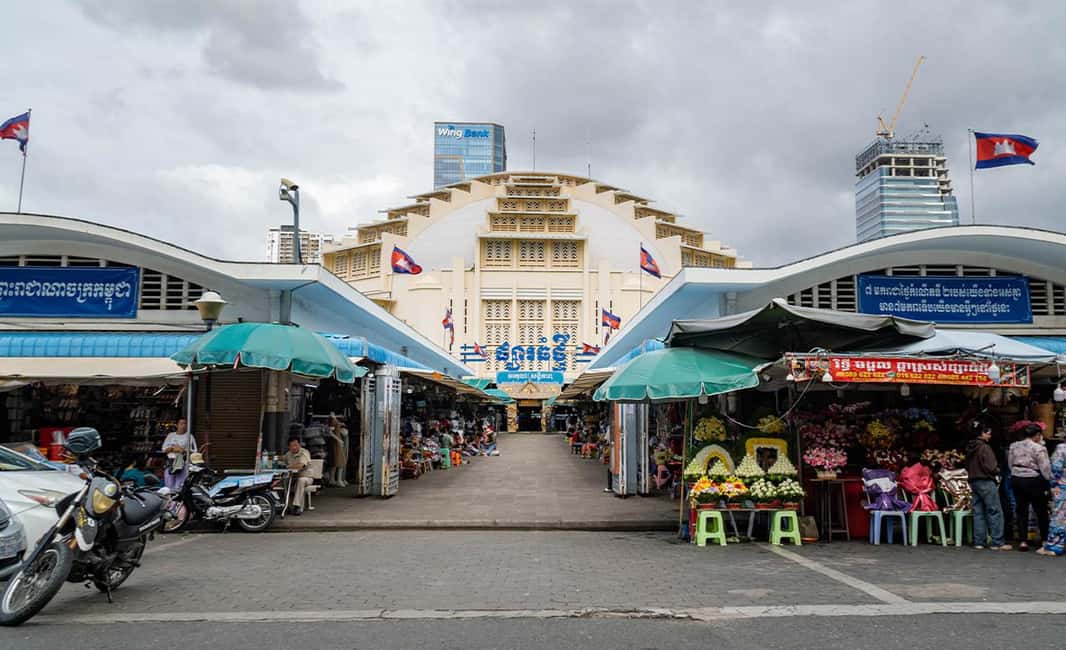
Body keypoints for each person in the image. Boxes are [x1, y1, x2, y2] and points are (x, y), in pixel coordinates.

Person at [965, 421, 1012, 550]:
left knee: (978, 511)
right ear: (982, 433)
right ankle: (997, 542)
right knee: (994, 510)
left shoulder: (970, 447)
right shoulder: (985, 447)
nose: (990, 436)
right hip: (986, 481)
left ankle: (979, 542)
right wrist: (997, 470)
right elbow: (991, 466)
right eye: (988, 433)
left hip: (974, 481)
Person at [1008, 423, 1052, 550]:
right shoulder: (1038, 448)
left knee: (1021, 509)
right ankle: (1044, 539)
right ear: (1037, 435)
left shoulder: (1014, 446)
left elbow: (1010, 464)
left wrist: (1017, 473)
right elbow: (1045, 468)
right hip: (1033, 479)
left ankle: (1023, 541)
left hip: (1017, 478)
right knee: (1041, 510)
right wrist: (1049, 480)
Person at [1037, 442, 1066, 557]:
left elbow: (1056, 468)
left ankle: (1055, 546)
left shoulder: (1062, 448)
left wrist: (1053, 485)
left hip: (1063, 486)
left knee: (1060, 516)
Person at [161, 418, 197, 491]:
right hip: (171, 462)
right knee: (169, 486)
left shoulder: (190, 436)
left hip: (183, 463)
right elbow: (164, 449)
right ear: (177, 425)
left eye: (185, 423)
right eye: (181, 423)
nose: (183, 425)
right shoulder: (171, 435)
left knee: (180, 485)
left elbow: (195, 451)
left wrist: (183, 450)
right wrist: (173, 448)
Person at [283, 437, 313, 516]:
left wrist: (288, 467)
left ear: (299, 445)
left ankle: (297, 506)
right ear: (289, 447)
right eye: (292, 446)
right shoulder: (288, 454)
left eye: (296, 445)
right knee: (284, 481)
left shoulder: (304, 452)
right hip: (293, 477)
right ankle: (286, 506)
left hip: (307, 477)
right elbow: (282, 461)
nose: (294, 447)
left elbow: (300, 465)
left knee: (301, 481)